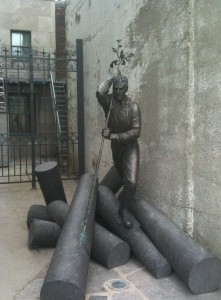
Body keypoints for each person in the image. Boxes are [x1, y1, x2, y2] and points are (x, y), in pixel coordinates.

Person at [96, 73, 141, 228]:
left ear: (126, 89)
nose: (117, 92)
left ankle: (123, 209)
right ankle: (128, 194)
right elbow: (100, 92)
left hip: (130, 147)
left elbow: (136, 132)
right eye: (115, 89)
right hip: (116, 148)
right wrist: (111, 78)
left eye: (121, 89)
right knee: (122, 174)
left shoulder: (133, 107)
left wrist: (114, 135)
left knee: (132, 182)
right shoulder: (109, 102)